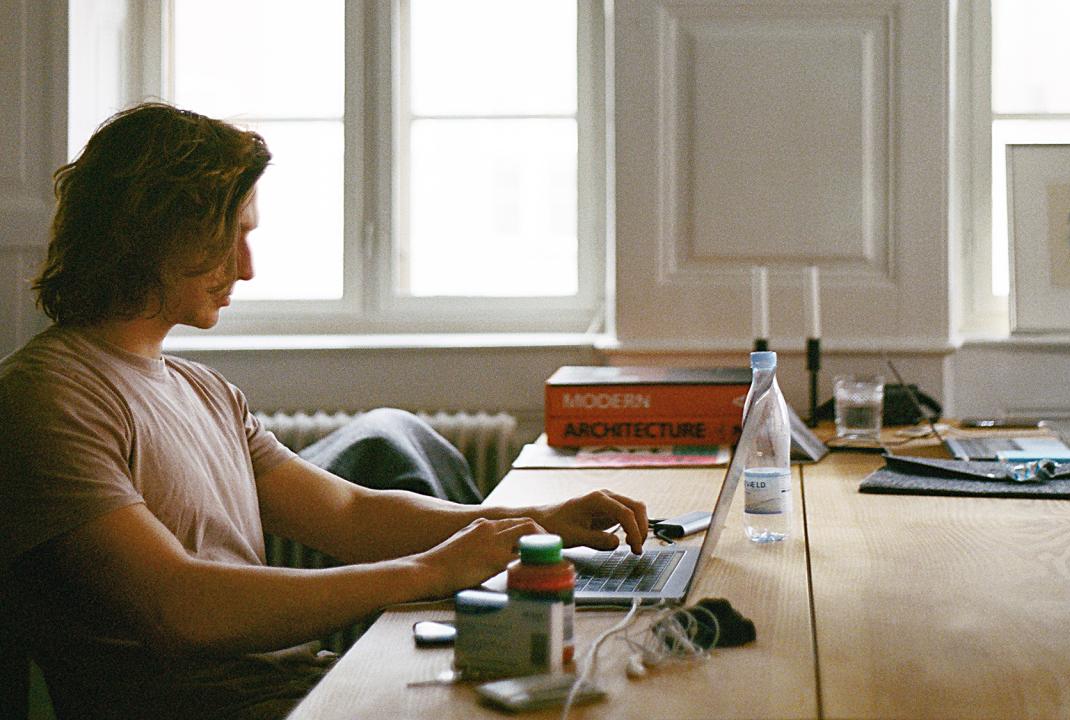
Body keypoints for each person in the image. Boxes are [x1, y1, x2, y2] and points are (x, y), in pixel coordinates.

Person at [0, 102, 648, 720]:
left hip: (293, 684)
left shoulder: (204, 391)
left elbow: (349, 513)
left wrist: (535, 521)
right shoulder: (48, 396)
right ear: (157, 230)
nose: (246, 270)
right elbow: (181, 608)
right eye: (233, 238)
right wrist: (428, 572)